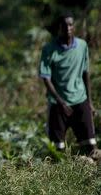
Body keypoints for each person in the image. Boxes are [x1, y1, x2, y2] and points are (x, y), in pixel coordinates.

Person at [39, 13, 100, 159]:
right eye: (64, 25)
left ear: (74, 27)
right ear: (59, 28)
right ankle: (63, 170)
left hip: (80, 98)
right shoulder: (49, 49)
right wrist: (61, 102)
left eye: (70, 24)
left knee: (91, 146)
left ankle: (88, 169)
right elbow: (46, 78)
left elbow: (85, 73)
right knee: (56, 151)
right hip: (58, 103)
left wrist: (89, 103)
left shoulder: (82, 46)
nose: (68, 28)